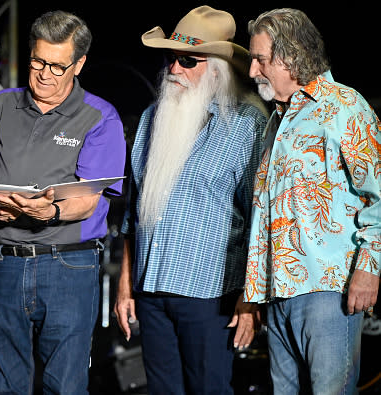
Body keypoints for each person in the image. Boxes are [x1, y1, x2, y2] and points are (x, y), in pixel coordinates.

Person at [113, 6, 269, 394]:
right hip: (151, 290)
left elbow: (260, 221)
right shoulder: (152, 117)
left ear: (216, 69)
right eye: (171, 58)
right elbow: (135, 213)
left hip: (210, 295)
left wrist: (251, 301)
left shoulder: (247, 124)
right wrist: (125, 285)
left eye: (187, 60)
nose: (174, 69)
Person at [0, 10, 127, 394]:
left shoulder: (99, 117)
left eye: (58, 66)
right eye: (38, 61)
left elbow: (88, 200)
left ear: (79, 64)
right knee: (1, 385)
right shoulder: (1, 106)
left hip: (69, 265)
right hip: (6, 262)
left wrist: (51, 210)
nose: (44, 74)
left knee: (65, 385)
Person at [243, 7, 381, 394]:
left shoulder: (344, 106)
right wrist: (253, 290)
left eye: (260, 59)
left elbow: (378, 193)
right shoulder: (276, 120)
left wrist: (369, 268)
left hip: (328, 289)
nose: (253, 71)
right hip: (277, 291)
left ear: (291, 57)